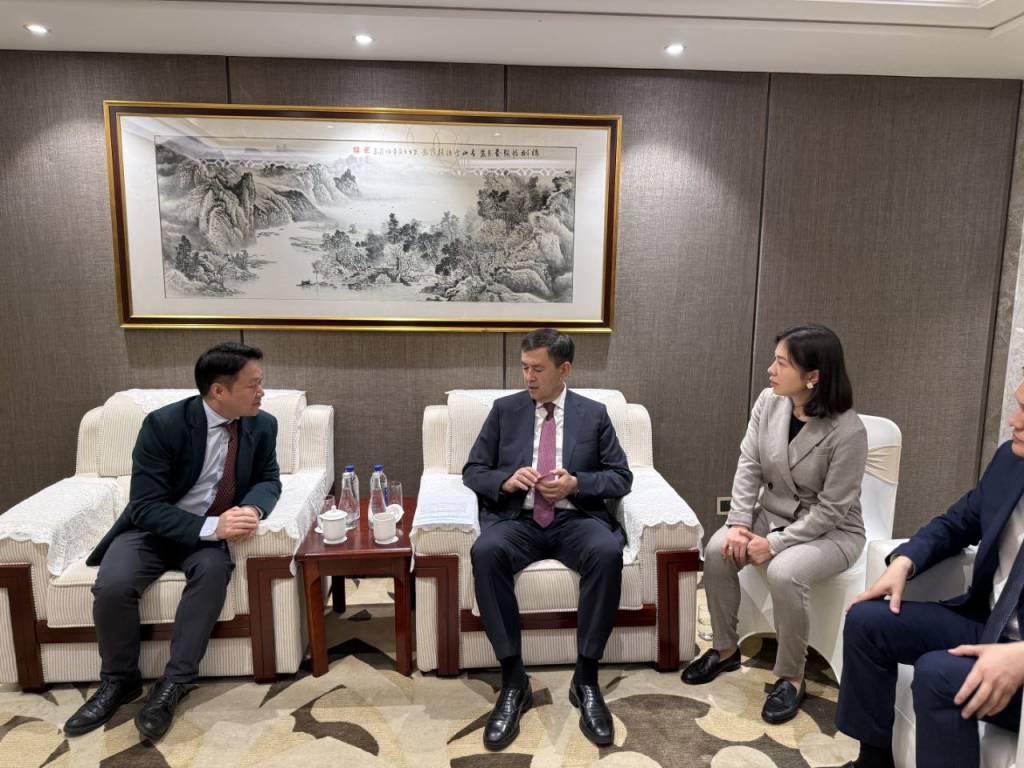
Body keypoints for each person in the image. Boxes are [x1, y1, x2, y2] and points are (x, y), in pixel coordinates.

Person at [63, 342, 281, 741]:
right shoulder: (164, 425)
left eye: (260, 383)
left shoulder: (262, 425)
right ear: (219, 391)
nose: (261, 392)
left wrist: (253, 508)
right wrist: (212, 527)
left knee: (213, 574)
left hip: (207, 540)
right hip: (152, 531)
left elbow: (269, 478)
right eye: (253, 385)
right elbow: (145, 506)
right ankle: (119, 681)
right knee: (113, 585)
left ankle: (174, 684)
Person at [682, 324, 867, 724]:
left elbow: (832, 510)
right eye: (774, 360)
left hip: (830, 531)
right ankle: (725, 650)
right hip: (772, 513)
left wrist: (776, 543)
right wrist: (738, 522)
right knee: (717, 549)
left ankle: (791, 678)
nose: (771, 370)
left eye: (782, 363)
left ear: (813, 376)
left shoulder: (849, 431)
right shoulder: (770, 401)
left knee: (784, 572)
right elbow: (749, 463)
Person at [835, 380, 1024, 768]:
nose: (1013, 421)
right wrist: (905, 562)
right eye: (1019, 406)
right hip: (988, 625)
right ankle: (873, 762)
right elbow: (958, 522)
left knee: (937, 674)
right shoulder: (1010, 461)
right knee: (866, 620)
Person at [463, 327, 633, 750]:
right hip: (518, 520)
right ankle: (513, 680)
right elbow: (473, 470)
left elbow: (621, 477)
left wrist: (577, 483)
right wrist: (506, 480)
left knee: (606, 551)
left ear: (564, 369)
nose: (528, 377)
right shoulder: (504, 411)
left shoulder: (594, 414)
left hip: (574, 519)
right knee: (485, 552)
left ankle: (586, 679)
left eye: (537, 369)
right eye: (525, 368)